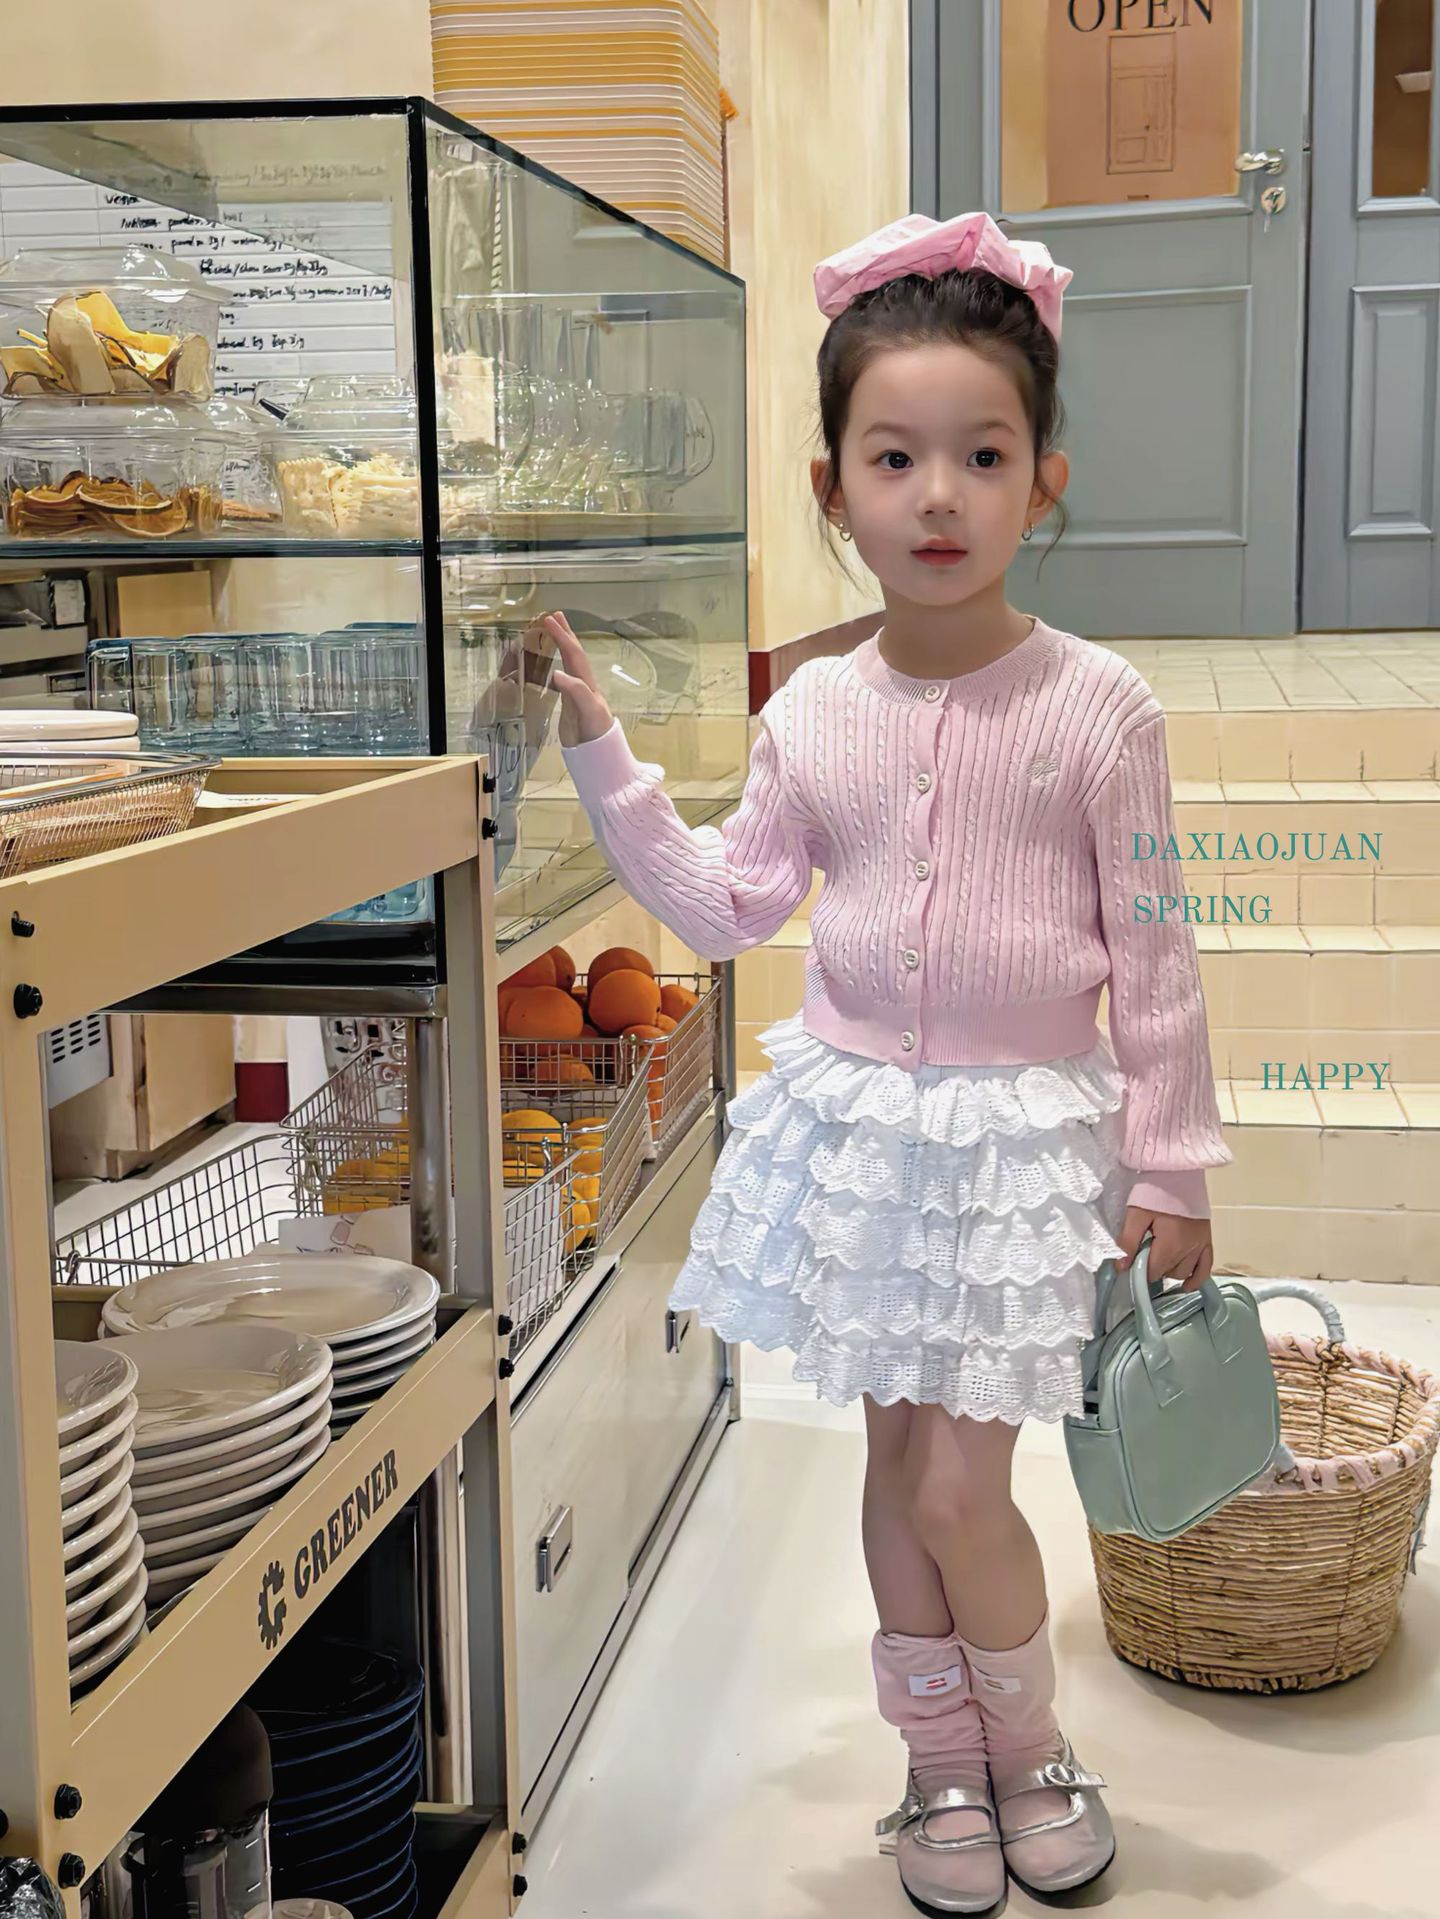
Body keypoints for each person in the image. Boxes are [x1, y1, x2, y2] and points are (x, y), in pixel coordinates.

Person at [536, 209, 1233, 1917]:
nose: (939, 496)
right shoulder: (811, 715)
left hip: (1019, 1150)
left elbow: (1155, 948)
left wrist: (1173, 1164)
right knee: (889, 1466)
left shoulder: (1103, 709)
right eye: (894, 457)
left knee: (959, 1480)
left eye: (982, 456)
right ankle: (937, 1769)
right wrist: (607, 757)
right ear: (833, 488)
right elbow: (729, 900)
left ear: (1043, 481)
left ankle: (1029, 1749)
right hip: (863, 1143)